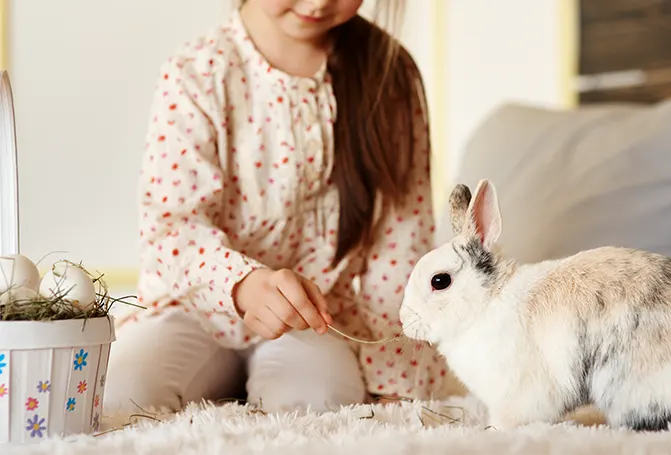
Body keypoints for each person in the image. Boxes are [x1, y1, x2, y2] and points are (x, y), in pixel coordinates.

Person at [103, 0, 452, 414]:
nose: (320, 2)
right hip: (190, 312)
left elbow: (399, 247)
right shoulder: (196, 73)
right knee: (123, 395)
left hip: (314, 320)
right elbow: (173, 227)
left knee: (316, 402)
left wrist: (394, 380)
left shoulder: (389, 76)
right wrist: (243, 284)